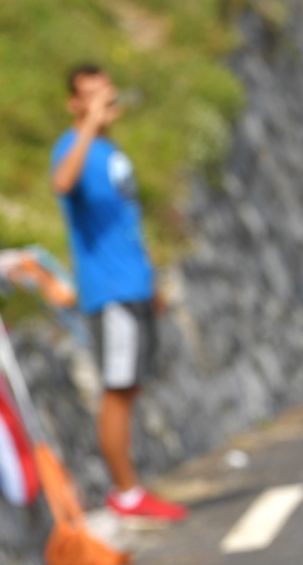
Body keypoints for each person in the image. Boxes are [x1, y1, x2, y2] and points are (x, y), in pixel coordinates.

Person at [50, 64, 187, 522]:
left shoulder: (110, 151)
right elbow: (62, 183)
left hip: (133, 286)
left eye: (106, 91)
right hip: (108, 290)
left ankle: (130, 487)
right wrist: (88, 125)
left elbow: (127, 226)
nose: (103, 101)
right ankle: (125, 492)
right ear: (74, 104)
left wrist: (150, 282)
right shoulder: (72, 147)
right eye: (90, 96)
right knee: (117, 387)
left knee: (130, 385)